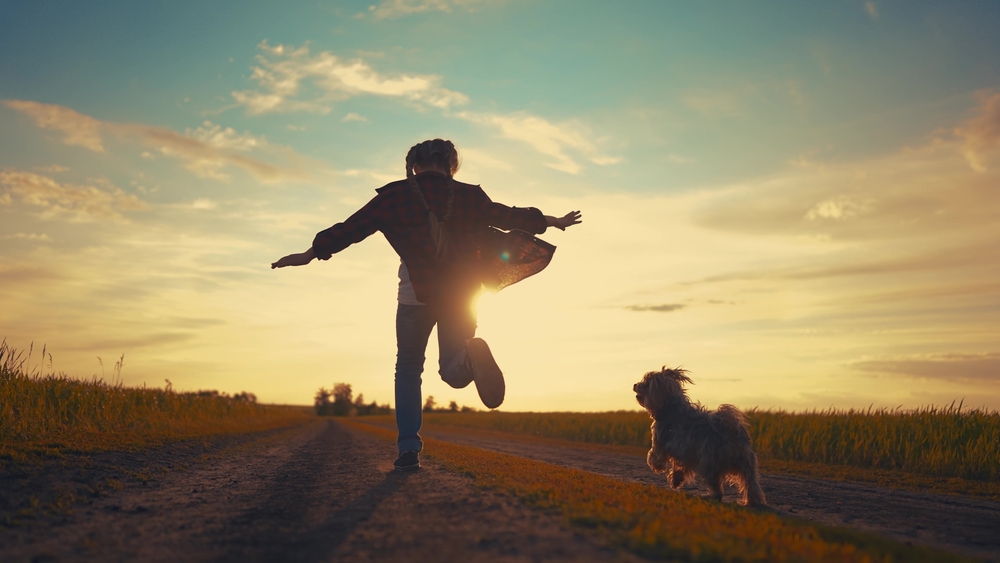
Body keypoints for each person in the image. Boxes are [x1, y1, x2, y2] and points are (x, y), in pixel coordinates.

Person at [271, 139, 581, 471]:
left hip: (414, 298)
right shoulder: (470, 196)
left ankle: (408, 449)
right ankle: (470, 357)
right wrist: (553, 221)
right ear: (451, 165)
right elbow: (509, 216)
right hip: (461, 297)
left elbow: (351, 229)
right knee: (452, 372)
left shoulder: (393, 197)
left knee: (408, 368)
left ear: (414, 166)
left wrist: (310, 253)